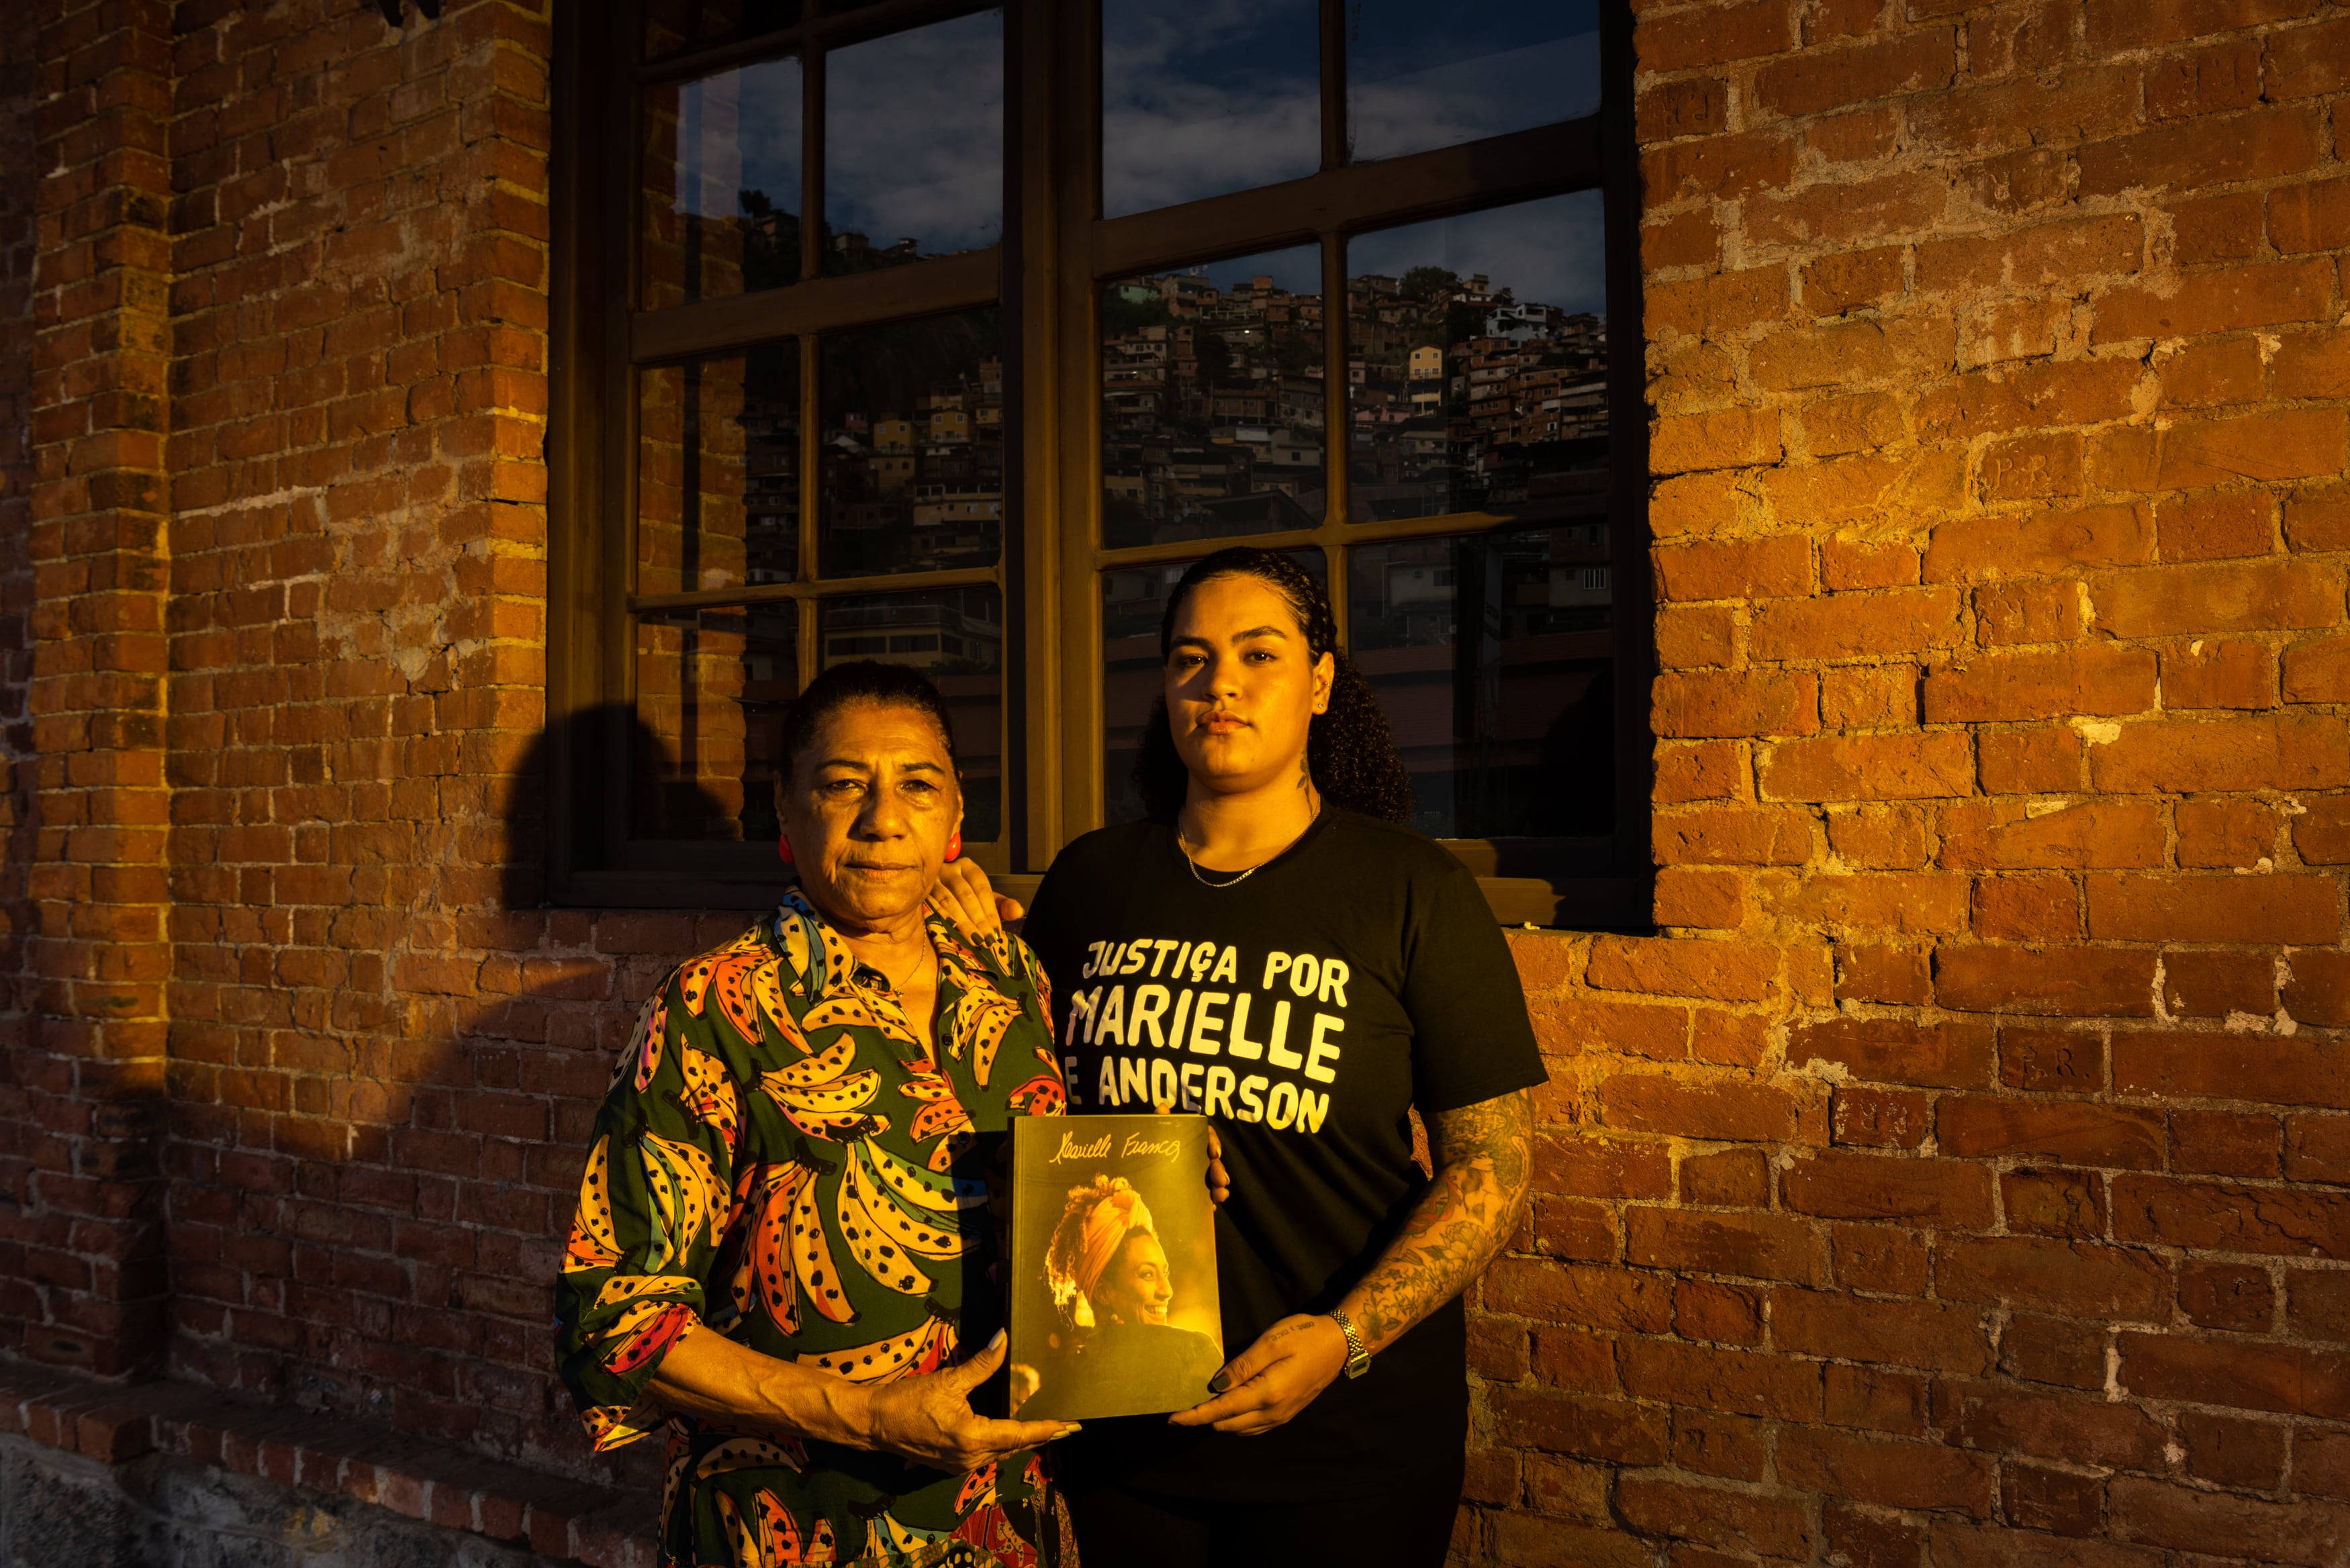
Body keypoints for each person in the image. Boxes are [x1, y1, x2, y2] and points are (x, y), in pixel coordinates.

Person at [959, 546, 1546, 1567]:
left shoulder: (1412, 889)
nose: (1219, 682)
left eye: (1258, 654)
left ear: (1320, 682)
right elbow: (1027, 1108)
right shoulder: (1094, 880)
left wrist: (1344, 1338)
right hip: (1120, 1431)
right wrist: (961, 942)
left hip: (1348, 1443)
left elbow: (1492, 1167)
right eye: (1192, 658)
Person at [553, 661, 1081, 1568]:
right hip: (795, 1527)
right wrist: (870, 1415)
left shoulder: (1013, 978)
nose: (883, 821)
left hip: (1006, 1522)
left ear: (957, 816)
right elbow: (616, 1320)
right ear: (786, 817)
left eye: (918, 786)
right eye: (844, 786)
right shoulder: (712, 1007)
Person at [1021, 1176, 1223, 1420]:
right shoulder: (1193, 1352)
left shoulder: (1056, 1394)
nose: (1167, 1290)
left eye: (1165, 1273)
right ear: (1104, 1293)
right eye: (1148, 1274)